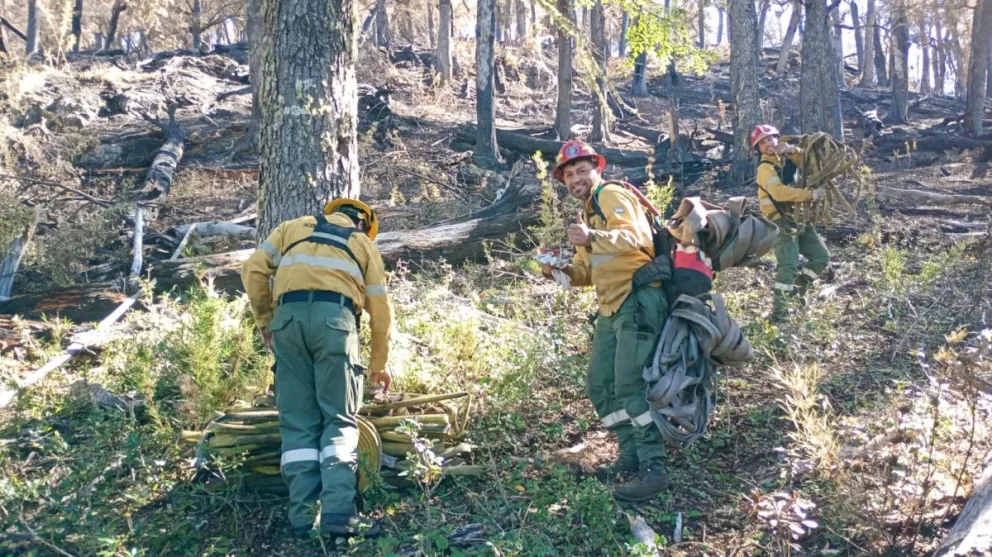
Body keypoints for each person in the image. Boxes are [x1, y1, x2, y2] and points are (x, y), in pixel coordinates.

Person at [241, 198, 394, 539]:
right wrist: (378, 365)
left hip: (288, 321)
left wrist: (265, 319)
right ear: (363, 224)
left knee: (297, 423)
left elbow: (253, 269)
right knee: (338, 419)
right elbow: (380, 313)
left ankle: (301, 519)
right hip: (336, 324)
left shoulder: (290, 228)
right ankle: (339, 514)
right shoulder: (361, 245)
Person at [540, 140, 670, 502]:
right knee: (599, 385)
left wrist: (593, 236)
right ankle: (629, 455)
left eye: (582, 170)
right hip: (611, 307)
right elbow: (586, 272)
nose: (575, 177)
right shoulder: (586, 213)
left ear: (597, 169)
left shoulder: (611, 195)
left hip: (638, 300)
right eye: (569, 174)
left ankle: (653, 468)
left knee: (629, 387)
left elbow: (636, 237)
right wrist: (559, 271)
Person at [751, 124, 830, 321]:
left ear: (778, 139)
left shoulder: (787, 159)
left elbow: (810, 163)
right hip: (779, 222)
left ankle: (801, 285)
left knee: (821, 257)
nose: (768, 144)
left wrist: (793, 150)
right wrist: (810, 195)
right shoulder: (765, 168)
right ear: (759, 149)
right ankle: (780, 314)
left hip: (798, 218)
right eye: (763, 142)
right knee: (788, 265)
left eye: (770, 139)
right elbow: (778, 192)